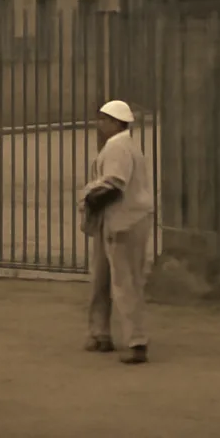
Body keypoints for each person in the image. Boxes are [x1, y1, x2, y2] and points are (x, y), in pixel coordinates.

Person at [79, 100, 154, 365]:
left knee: (125, 283)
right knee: (100, 279)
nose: (99, 124)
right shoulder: (122, 145)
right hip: (113, 221)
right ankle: (100, 334)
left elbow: (113, 185)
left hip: (123, 222)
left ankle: (137, 341)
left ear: (115, 122)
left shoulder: (119, 147)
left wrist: (88, 199)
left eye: (103, 119)